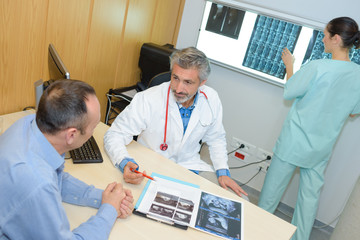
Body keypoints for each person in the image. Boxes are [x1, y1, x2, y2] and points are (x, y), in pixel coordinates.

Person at [258, 17, 360, 240]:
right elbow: (353, 111)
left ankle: (256, 233)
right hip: (321, 149)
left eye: (325, 35)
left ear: (335, 39)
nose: (322, 39)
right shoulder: (358, 75)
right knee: (308, 203)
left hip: (294, 142)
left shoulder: (317, 66)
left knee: (269, 198)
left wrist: (289, 65)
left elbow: (290, 91)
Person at [104, 47, 248, 198]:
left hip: (188, 166)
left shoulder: (211, 99)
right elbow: (114, 135)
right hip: (151, 166)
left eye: (188, 82)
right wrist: (124, 162)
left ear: (202, 82)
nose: (179, 88)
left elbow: (216, 138)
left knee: (236, 199)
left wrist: (223, 171)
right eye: (175, 78)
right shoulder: (148, 99)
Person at [0, 80, 134, 239]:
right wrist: (109, 210)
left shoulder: (28, 124)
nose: (93, 133)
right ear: (71, 135)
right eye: (93, 127)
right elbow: (44, 184)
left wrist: (104, 198)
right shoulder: (38, 183)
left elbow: (55, 176)